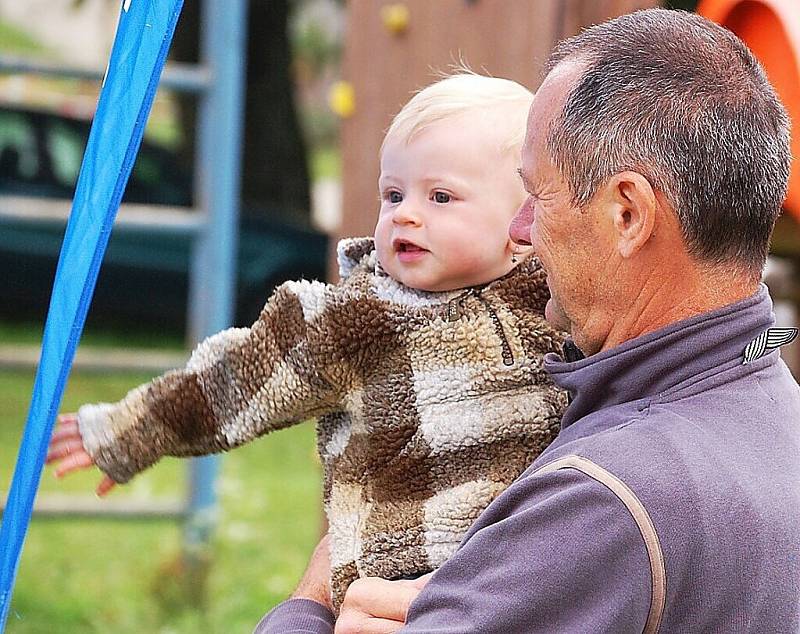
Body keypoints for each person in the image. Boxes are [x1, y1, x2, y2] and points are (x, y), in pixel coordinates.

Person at [253, 8, 800, 633]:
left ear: (628, 215)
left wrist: (311, 601)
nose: (519, 231)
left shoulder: (601, 503)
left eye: (536, 196)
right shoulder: (775, 415)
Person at [46, 74, 567, 610]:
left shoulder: (556, 304)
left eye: (441, 197)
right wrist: (129, 432)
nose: (406, 214)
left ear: (524, 219)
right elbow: (236, 382)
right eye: (393, 194)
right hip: (399, 580)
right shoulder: (355, 322)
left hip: (519, 573)